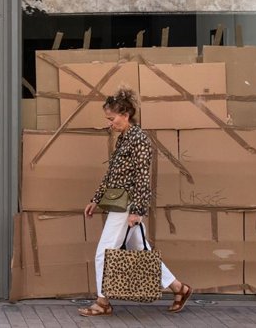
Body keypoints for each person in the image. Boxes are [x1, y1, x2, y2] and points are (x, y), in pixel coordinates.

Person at [78, 87, 192, 317]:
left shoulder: (139, 139)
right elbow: (113, 173)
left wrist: (137, 211)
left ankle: (103, 302)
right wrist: (95, 199)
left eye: (112, 119)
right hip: (121, 203)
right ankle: (179, 288)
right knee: (139, 248)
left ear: (125, 114)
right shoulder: (124, 138)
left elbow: (142, 176)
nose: (110, 123)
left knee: (103, 252)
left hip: (128, 205)